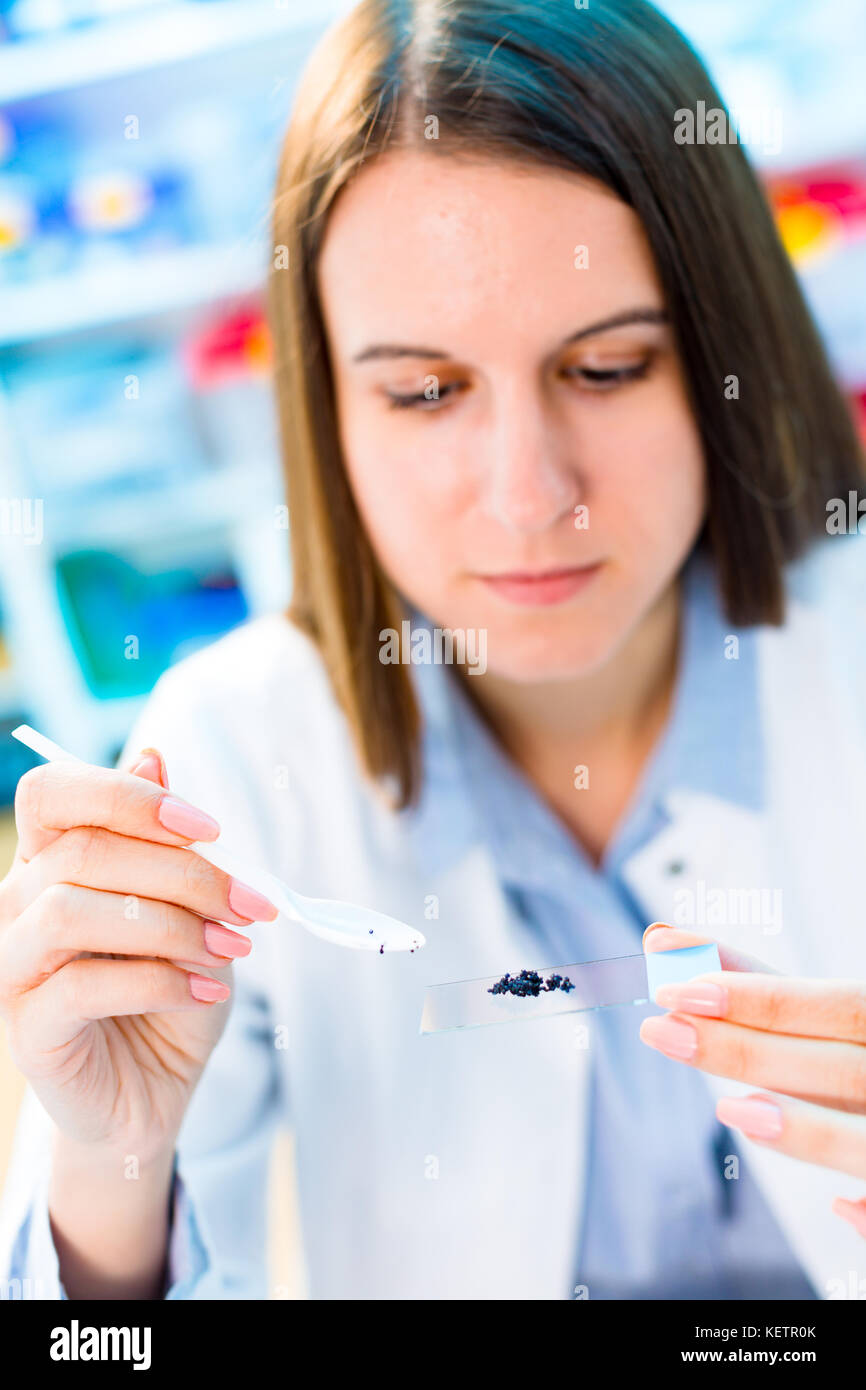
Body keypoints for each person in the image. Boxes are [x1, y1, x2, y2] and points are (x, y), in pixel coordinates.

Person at [1, 0, 865, 1301]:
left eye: (608, 368)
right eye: (424, 391)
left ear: (723, 349)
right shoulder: (232, 752)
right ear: (324, 405)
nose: (526, 494)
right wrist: (112, 1166)